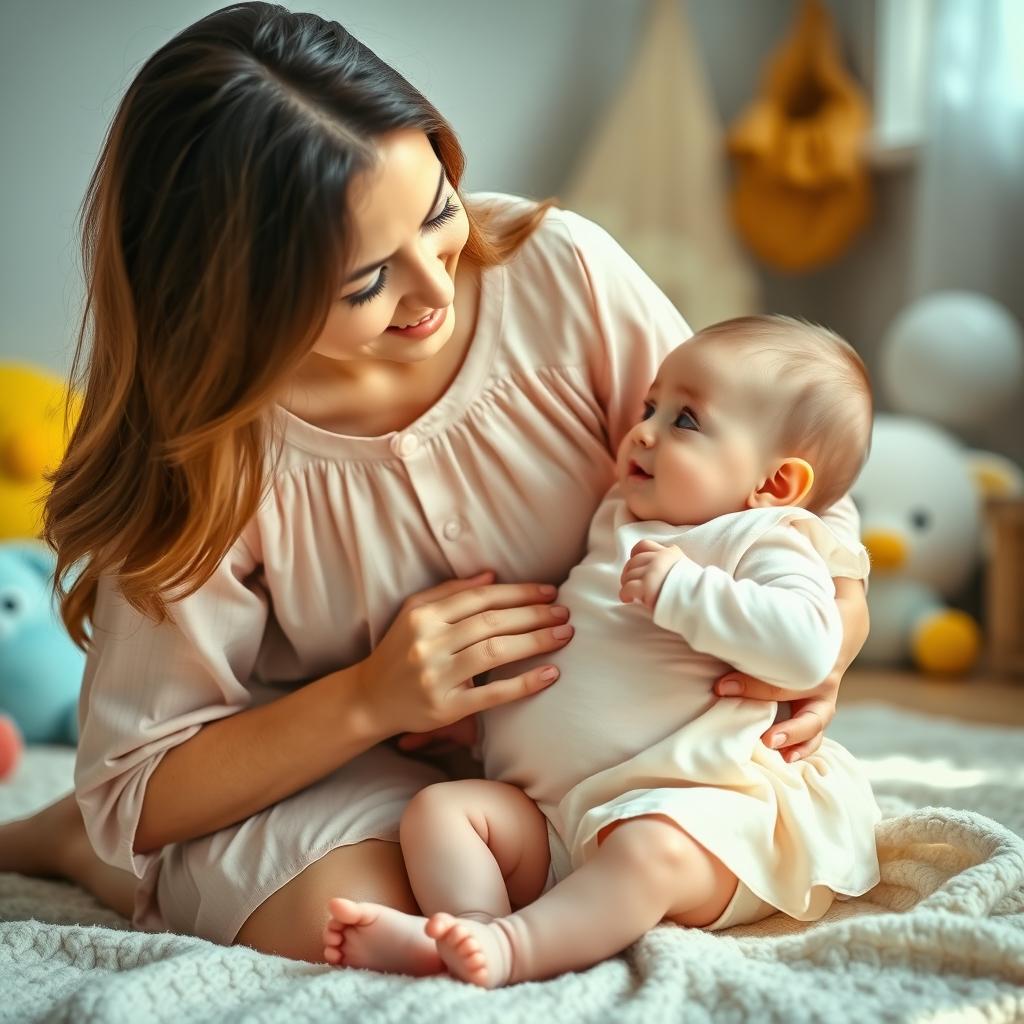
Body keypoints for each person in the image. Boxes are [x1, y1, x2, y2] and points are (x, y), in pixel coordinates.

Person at [0, 4, 869, 966]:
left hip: (611, 760)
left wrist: (829, 646)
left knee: (652, 859)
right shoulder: (207, 450)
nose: (435, 288)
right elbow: (140, 787)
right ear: (231, 294)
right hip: (335, 769)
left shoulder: (560, 274)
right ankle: (82, 851)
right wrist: (371, 700)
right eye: (367, 280)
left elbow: (784, 486)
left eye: (439, 210)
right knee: (367, 906)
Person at [320, 316, 881, 987]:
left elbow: (808, 648)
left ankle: (518, 949)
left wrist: (685, 592)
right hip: (559, 819)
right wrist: (485, 719)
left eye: (687, 421)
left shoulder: (761, 537)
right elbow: (595, 655)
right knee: (441, 813)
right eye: (650, 407)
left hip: (700, 812)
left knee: (648, 853)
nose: (643, 429)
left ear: (776, 485)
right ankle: (469, 925)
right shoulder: (622, 513)